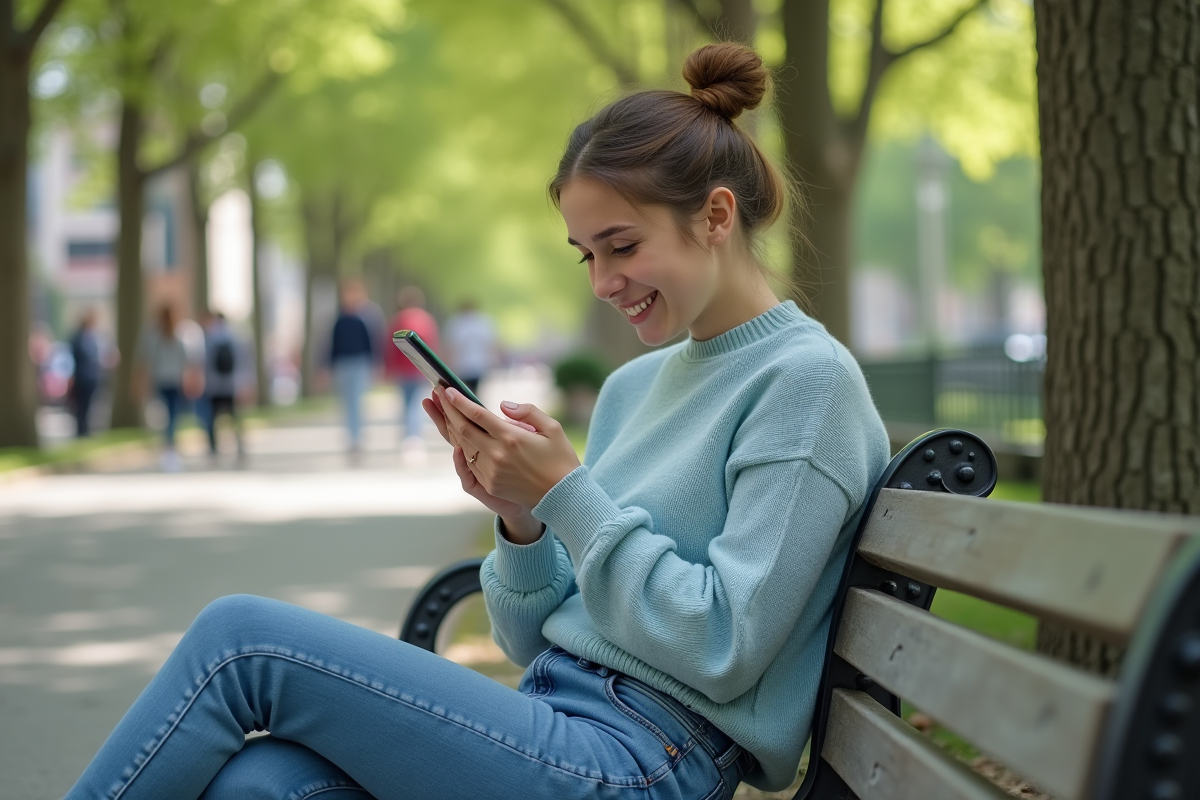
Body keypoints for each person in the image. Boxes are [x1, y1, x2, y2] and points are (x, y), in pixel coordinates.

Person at [64, 44, 889, 799]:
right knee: (261, 781)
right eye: (586, 254)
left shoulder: (804, 383)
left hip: (647, 760)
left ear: (715, 216)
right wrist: (522, 520)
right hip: (559, 717)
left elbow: (723, 644)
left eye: (622, 246)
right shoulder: (633, 387)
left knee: (242, 642)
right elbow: (528, 638)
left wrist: (568, 495)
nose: (602, 281)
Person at [133, 304, 205, 473]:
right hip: (175, 380)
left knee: (167, 415)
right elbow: (187, 359)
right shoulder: (179, 334)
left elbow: (145, 359)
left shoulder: (154, 334)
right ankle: (170, 447)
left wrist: (140, 381)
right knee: (172, 415)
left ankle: (168, 446)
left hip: (161, 380)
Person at [327, 278, 382, 457]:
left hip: (360, 363)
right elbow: (333, 344)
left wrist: (376, 365)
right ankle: (351, 437)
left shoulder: (367, 317)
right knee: (346, 402)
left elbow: (374, 343)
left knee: (357, 401)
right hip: (342, 364)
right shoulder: (340, 318)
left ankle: (357, 437)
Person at [383, 286, 439, 448]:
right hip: (420, 368)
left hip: (402, 368)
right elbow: (431, 345)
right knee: (417, 402)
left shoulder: (397, 319)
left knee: (407, 402)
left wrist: (388, 368)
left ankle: (409, 435)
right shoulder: (426, 319)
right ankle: (415, 435)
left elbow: (390, 346)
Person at [201, 310, 246, 462]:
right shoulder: (232, 337)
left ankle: (213, 447)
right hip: (230, 385)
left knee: (212, 418)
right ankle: (240, 445)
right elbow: (241, 362)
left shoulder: (209, 337)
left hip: (214, 386)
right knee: (234, 417)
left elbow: (204, 361)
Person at [443, 298, 497, 395]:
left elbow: (451, 347)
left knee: (463, 391)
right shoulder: (483, 322)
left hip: (462, 365)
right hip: (478, 364)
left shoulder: (456, 323)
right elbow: (490, 344)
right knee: (474, 392)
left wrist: (448, 363)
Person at [67, 308, 104, 437]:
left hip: (92, 377)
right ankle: (80, 431)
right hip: (81, 377)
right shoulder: (77, 337)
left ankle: (85, 430)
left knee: (89, 406)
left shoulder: (92, 337)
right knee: (80, 407)